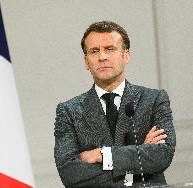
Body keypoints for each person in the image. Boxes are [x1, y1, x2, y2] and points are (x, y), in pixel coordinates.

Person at [54, 21, 176, 187]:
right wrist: (139, 154)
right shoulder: (68, 111)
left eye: (110, 49)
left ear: (126, 55)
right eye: (94, 51)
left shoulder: (154, 99)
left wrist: (102, 155)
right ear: (86, 61)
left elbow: (162, 155)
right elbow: (70, 173)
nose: (102, 57)